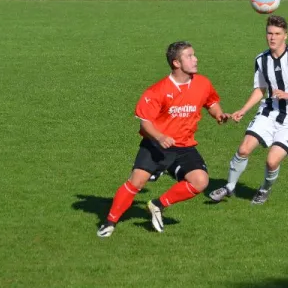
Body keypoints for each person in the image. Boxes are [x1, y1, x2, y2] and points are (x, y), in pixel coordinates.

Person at [97, 42, 230, 237]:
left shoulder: (202, 83)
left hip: (184, 145)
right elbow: (145, 124)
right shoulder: (156, 91)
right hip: (156, 145)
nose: (196, 59)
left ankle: (157, 205)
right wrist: (160, 137)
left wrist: (219, 114)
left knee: (200, 181)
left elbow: (211, 102)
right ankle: (109, 222)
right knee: (137, 182)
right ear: (176, 63)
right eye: (190, 56)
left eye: (194, 55)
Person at [209, 15, 288, 205]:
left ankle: (264, 190)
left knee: (271, 161)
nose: (272, 38)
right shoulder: (261, 59)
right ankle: (229, 187)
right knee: (244, 149)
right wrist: (243, 110)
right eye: (269, 33)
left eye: (277, 34)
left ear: (285, 35)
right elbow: (260, 89)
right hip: (269, 112)